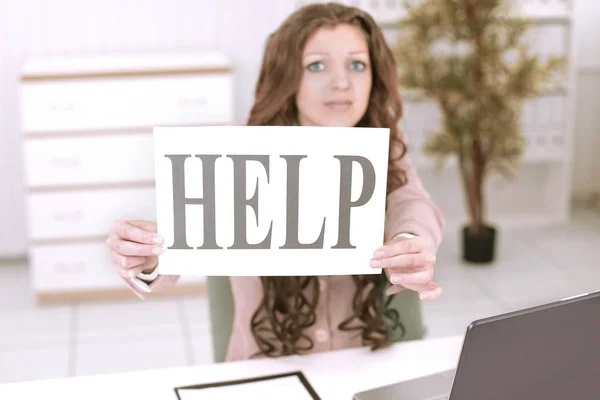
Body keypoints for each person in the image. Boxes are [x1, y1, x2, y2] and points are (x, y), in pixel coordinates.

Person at [105, 2, 444, 362]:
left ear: (374, 76)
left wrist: (409, 241)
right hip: (264, 373)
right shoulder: (234, 152)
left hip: (361, 365)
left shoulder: (388, 148)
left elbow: (413, 204)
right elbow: (178, 248)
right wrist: (145, 257)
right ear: (287, 76)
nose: (341, 82)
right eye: (317, 65)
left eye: (357, 64)